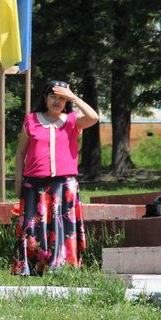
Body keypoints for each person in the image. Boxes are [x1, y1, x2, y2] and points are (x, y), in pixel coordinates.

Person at [12, 80, 99, 276]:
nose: (57, 101)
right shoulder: (31, 120)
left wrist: (74, 97)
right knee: (32, 226)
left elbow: (94, 117)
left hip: (64, 185)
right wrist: (18, 183)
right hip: (34, 184)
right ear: (45, 98)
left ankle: (62, 267)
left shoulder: (72, 121)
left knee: (62, 226)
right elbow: (20, 153)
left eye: (62, 98)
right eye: (53, 97)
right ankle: (32, 267)